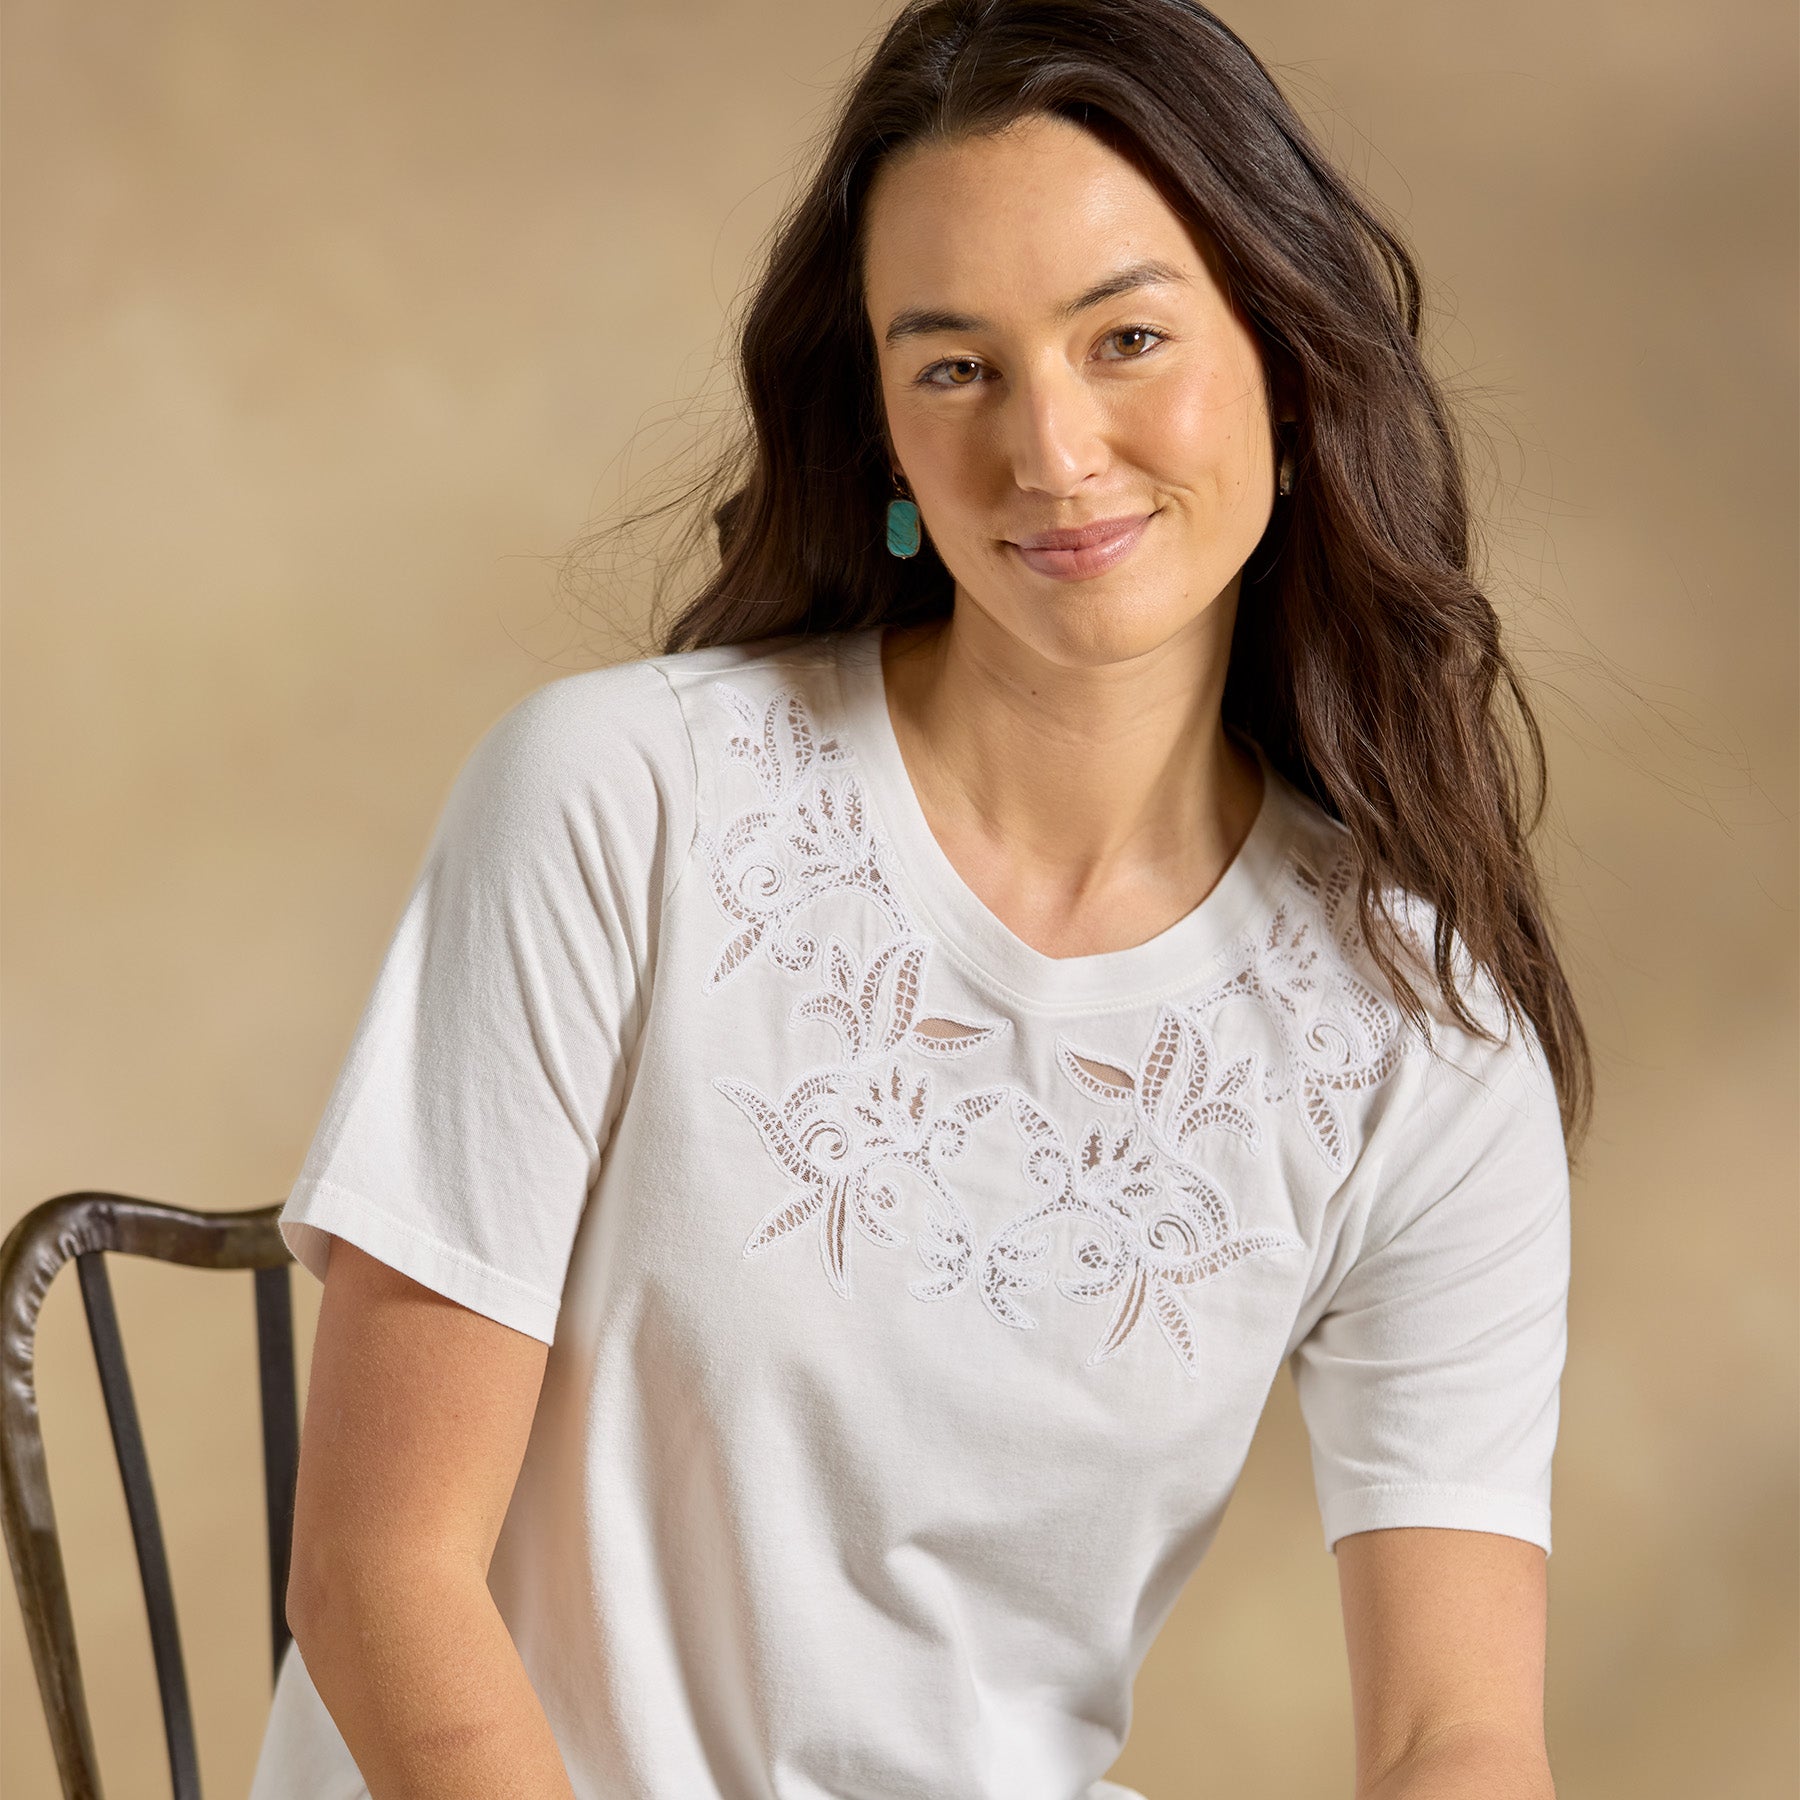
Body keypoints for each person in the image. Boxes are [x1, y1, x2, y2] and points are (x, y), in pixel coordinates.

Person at [248, 2, 1589, 1796]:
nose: (1053, 449)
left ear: (1286, 368)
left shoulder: (1422, 1041)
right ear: (883, 429)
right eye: (955, 367)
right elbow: (380, 1579)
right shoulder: (619, 800)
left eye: (1126, 339)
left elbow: (1456, 1733)